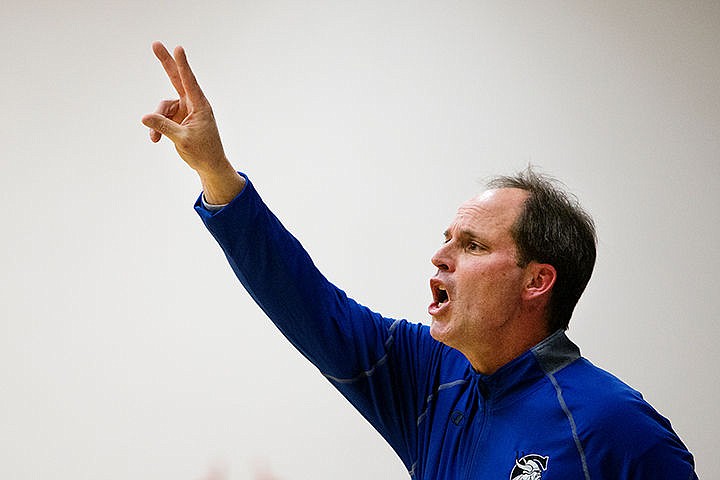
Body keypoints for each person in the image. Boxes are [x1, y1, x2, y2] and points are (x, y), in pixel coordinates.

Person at [142, 42, 698, 480]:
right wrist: (215, 172)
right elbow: (306, 303)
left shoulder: (614, 427)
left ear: (537, 281)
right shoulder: (431, 376)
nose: (440, 256)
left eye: (473, 245)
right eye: (447, 238)